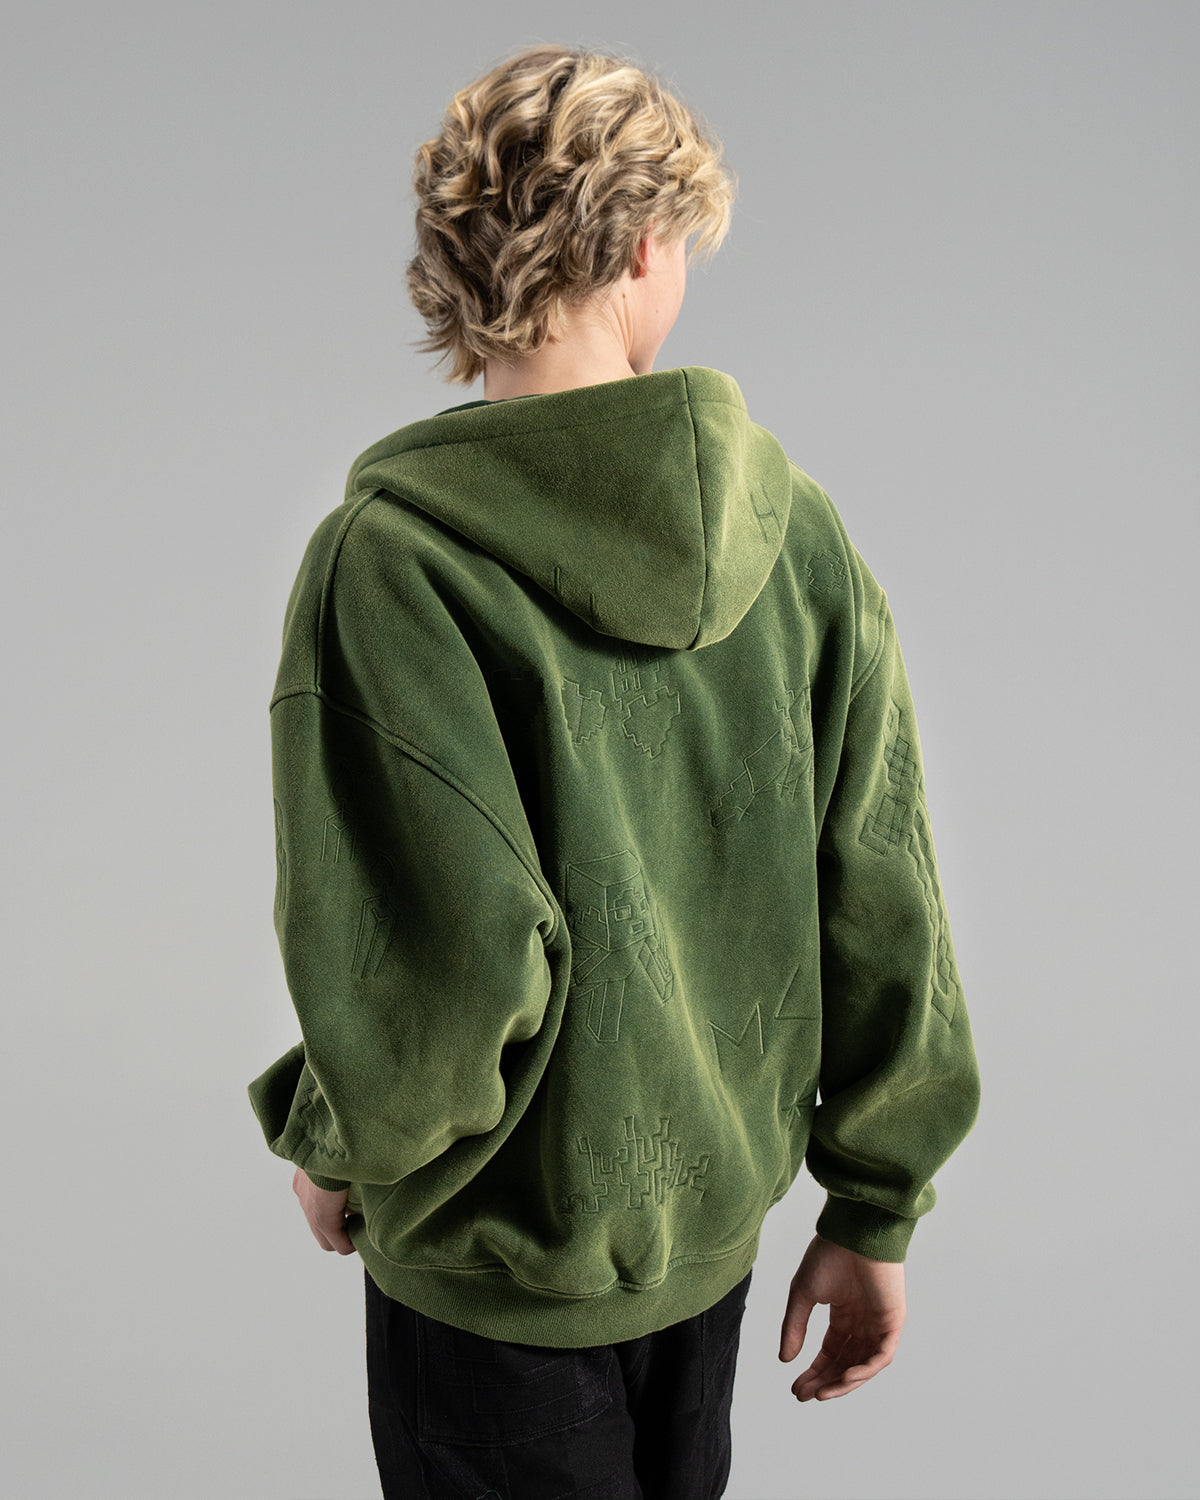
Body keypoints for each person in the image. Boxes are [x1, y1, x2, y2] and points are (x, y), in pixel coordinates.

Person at [247, 42, 981, 1500]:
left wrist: (335, 1142)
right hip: (708, 1237)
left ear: (458, 264)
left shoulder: (390, 564)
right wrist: (874, 1208)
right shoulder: (800, 535)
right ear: (647, 245)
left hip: (495, 1268)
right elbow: (881, 883)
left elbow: (442, 968)